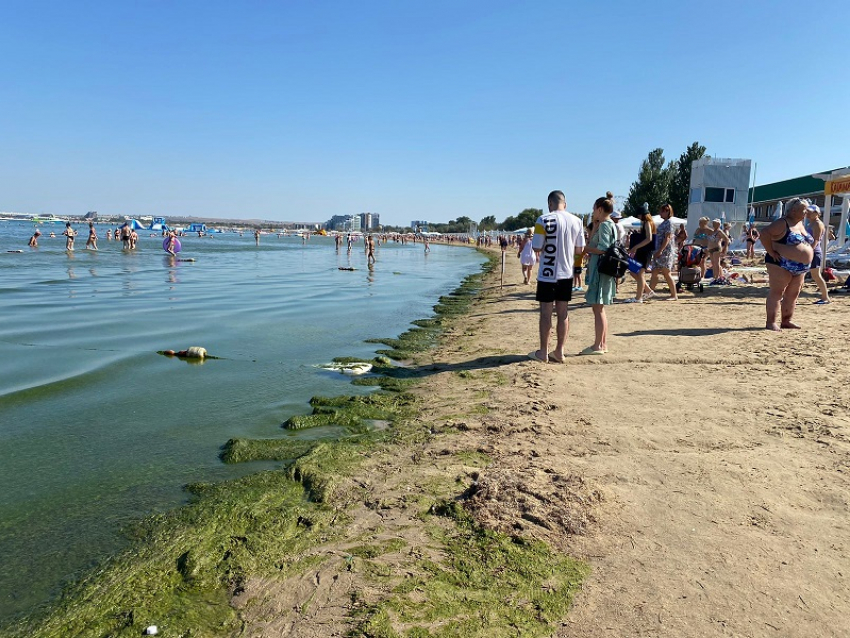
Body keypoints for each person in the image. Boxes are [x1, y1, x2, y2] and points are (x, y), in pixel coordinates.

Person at [529, 190, 585, 363]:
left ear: (550, 204)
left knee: (545, 313)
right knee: (563, 312)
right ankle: (560, 350)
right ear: (565, 204)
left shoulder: (543, 219)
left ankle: (543, 352)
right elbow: (579, 250)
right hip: (566, 273)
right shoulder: (577, 221)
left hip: (547, 273)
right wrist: (576, 266)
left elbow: (537, 247)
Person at [761, 197, 814, 331]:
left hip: (800, 267)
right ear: (793, 210)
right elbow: (764, 233)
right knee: (777, 292)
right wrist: (771, 251)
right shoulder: (782, 223)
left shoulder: (800, 223)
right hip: (780, 263)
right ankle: (771, 322)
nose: (806, 213)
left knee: (792, 295)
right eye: (803, 210)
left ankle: (787, 320)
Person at [582, 193, 618, 354]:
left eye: (594, 209)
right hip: (605, 270)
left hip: (600, 270)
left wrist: (587, 250)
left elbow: (603, 248)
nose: (593, 212)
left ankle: (598, 345)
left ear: (600, 209)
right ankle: (602, 344)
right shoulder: (608, 224)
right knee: (600, 308)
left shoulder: (605, 225)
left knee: (598, 308)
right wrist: (594, 227)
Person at [648, 203, 678, 300]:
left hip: (665, 251)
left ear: (666, 211)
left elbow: (667, 237)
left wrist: (660, 250)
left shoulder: (668, 223)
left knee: (666, 272)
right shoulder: (664, 223)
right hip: (659, 250)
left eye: (661, 211)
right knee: (655, 272)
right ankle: (649, 292)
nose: (660, 213)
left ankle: (674, 295)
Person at [626, 203, 655, 302]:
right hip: (643, 251)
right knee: (635, 272)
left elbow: (649, 238)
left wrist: (636, 247)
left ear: (643, 214)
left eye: (639, 215)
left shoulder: (647, 222)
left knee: (639, 273)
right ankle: (648, 291)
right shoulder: (647, 223)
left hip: (645, 251)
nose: (638, 216)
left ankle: (638, 298)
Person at [805, 205, 830, 305]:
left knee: (816, 276)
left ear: (817, 213)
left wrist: (809, 251)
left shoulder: (817, 224)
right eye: (808, 212)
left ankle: (825, 298)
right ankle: (793, 297)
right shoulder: (810, 224)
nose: (808, 213)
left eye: (811, 212)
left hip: (814, 252)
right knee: (800, 275)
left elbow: (816, 240)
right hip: (810, 251)